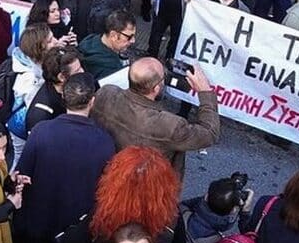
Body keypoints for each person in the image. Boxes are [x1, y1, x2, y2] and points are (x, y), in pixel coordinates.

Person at [15, 72, 114, 243]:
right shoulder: (105, 142)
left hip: (37, 212)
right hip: (73, 221)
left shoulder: (42, 131)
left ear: (64, 98)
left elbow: (23, 172)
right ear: (92, 101)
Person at [91, 57, 219, 178]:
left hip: (104, 172)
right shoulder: (169, 125)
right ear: (156, 88)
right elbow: (209, 134)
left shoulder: (106, 93)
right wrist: (205, 92)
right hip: (146, 184)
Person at [24, 47, 82, 136]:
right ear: (61, 77)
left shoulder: (76, 85)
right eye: (77, 71)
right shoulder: (41, 115)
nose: (82, 71)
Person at [78, 8, 135, 79]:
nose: (133, 40)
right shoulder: (111, 70)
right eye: (129, 37)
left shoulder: (89, 39)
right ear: (113, 35)